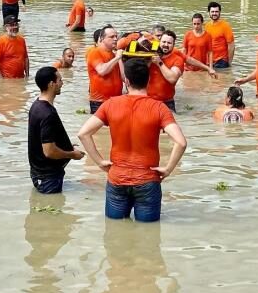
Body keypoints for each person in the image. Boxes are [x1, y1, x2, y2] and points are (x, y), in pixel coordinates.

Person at [77, 59, 188, 222]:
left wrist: (100, 162)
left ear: (126, 81)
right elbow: (181, 142)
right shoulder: (159, 108)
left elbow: (83, 133)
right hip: (147, 179)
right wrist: (168, 169)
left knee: (114, 233)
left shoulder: (110, 104)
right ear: (148, 80)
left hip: (117, 178)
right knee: (148, 235)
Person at [27, 66, 85, 194]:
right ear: (51, 84)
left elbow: (40, 138)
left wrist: (65, 145)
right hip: (48, 177)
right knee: (51, 211)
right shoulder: (48, 113)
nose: (62, 83)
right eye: (59, 80)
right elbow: (49, 151)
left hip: (39, 172)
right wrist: (72, 155)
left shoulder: (36, 105)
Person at [86, 25, 124, 113]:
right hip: (100, 101)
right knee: (102, 127)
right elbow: (102, 71)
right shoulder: (94, 52)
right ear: (102, 39)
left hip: (116, 100)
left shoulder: (115, 55)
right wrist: (117, 58)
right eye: (111, 37)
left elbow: (124, 78)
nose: (115, 39)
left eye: (116, 36)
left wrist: (120, 58)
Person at [147, 30, 185, 112]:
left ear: (173, 45)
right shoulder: (150, 55)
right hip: (148, 100)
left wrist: (159, 62)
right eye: (163, 42)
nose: (165, 45)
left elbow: (172, 78)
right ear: (159, 42)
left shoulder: (177, 59)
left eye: (169, 43)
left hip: (167, 102)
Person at [204, 1, 235, 68]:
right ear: (209, 12)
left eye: (216, 11)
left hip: (222, 60)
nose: (214, 13)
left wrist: (229, 62)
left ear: (220, 12)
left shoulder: (225, 26)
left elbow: (231, 46)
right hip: (210, 60)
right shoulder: (207, 26)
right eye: (212, 12)